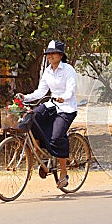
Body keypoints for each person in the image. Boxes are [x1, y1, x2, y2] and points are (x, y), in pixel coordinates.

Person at [17, 40, 78, 188]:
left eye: (53, 53)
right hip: (51, 105)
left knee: (57, 138)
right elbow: (40, 91)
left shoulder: (68, 70)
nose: (50, 56)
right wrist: (25, 97)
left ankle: (63, 173)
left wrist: (64, 96)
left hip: (66, 108)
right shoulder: (47, 70)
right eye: (48, 53)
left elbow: (71, 89)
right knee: (30, 118)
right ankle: (43, 156)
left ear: (60, 55)